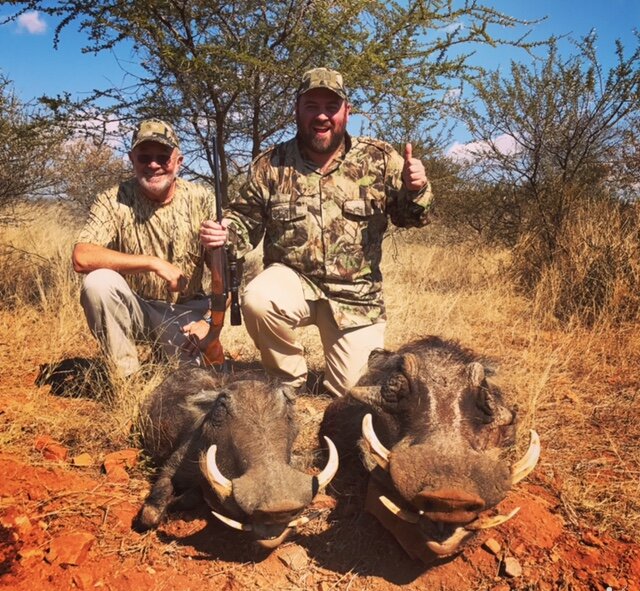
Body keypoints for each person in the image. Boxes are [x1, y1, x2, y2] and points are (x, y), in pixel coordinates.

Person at [200, 68, 433, 396]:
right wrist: (225, 233)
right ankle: (285, 382)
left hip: (356, 298)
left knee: (354, 396)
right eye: (311, 106)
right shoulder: (271, 164)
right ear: (297, 110)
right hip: (294, 283)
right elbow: (242, 221)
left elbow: (412, 218)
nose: (321, 115)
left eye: (331, 106)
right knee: (258, 298)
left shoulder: (380, 158)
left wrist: (416, 189)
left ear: (347, 112)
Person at [72, 118, 222, 378]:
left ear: (178, 161)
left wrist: (209, 324)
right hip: (136, 310)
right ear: (132, 159)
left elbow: (227, 276)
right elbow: (81, 257)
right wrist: (154, 262)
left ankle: (184, 354)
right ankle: (126, 379)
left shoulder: (203, 199)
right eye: (144, 157)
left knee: (193, 384)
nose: (153, 165)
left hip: (186, 314)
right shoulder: (113, 198)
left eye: (163, 157)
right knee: (98, 282)